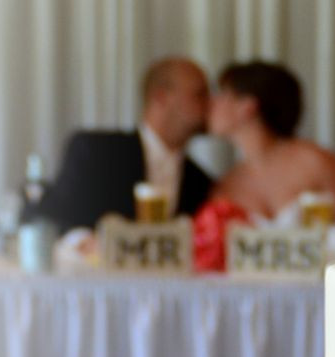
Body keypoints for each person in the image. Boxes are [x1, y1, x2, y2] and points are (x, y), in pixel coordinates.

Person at [193, 60, 335, 271]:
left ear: (247, 106)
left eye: (220, 93)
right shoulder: (225, 186)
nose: (211, 103)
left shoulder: (315, 162)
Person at [39, 58, 212, 233]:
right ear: (160, 97)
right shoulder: (95, 153)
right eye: (200, 94)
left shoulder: (201, 182)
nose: (210, 104)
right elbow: (53, 217)